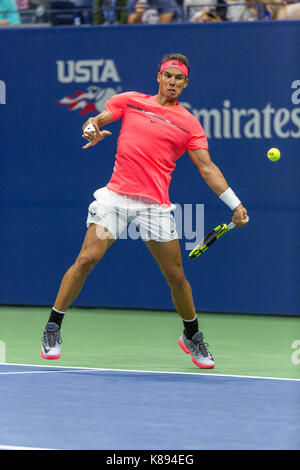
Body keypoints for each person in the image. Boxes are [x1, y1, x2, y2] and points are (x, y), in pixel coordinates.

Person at [41, 53, 248, 369]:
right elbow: (96, 119)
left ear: (185, 84)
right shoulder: (130, 101)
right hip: (115, 199)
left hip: (154, 206)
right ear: (159, 77)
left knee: (176, 276)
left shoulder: (189, 123)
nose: (173, 83)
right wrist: (91, 128)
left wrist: (235, 205)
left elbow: (207, 167)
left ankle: (191, 335)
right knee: (86, 258)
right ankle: (53, 327)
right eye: (169, 76)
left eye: (179, 79)